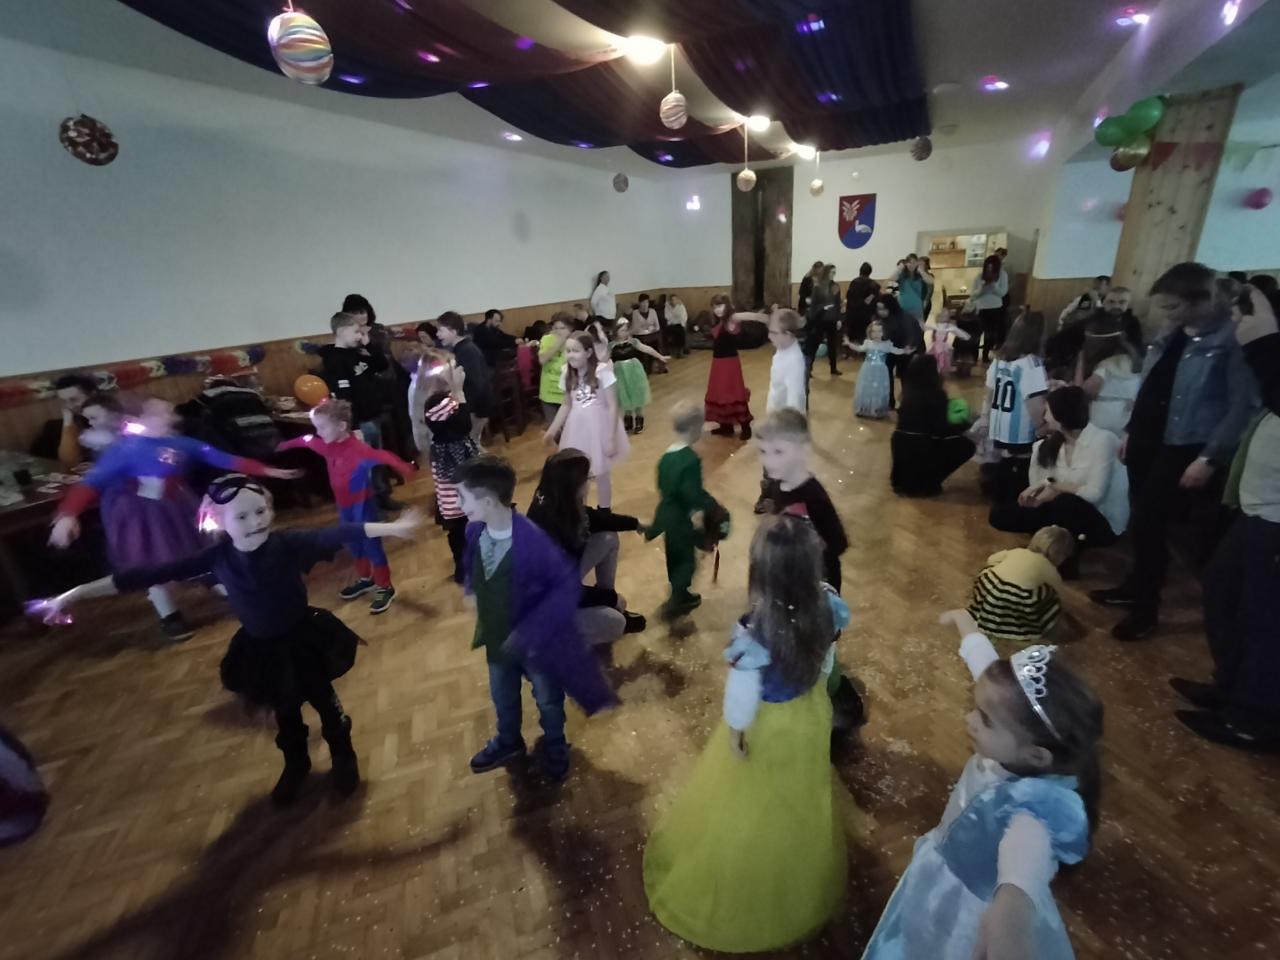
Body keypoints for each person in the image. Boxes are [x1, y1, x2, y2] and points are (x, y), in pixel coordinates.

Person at [39, 474, 424, 805]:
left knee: (325, 700)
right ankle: (296, 762)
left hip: (304, 639)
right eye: (242, 516)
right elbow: (142, 575)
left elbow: (339, 532)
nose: (256, 521)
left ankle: (343, 754)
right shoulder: (215, 557)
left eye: (261, 511)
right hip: (262, 648)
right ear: (218, 520)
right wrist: (73, 595)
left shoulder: (287, 543)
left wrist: (392, 528)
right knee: (285, 710)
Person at [643, 516, 850, 953]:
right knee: (795, 788)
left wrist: (736, 734)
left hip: (767, 724)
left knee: (753, 797)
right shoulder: (829, 604)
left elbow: (741, 696)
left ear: (761, 574)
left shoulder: (755, 631)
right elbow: (828, 659)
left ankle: (750, 871)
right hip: (810, 715)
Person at [862, 609, 1102, 959]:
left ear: (1037, 755)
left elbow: (1024, 866)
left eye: (985, 720)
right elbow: (985, 667)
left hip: (963, 909)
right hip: (944, 862)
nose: (969, 719)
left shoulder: (1035, 807)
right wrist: (966, 624)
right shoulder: (1017, 732)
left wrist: (1010, 912)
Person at [1090, 263, 1258, 642]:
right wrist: (1131, 430)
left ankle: (1146, 608)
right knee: (1141, 519)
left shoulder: (1230, 340)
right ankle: (1136, 584)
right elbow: (1152, 386)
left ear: (1201, 301)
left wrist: (1209, 457)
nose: (1165, 314)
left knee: (1154, 522)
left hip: (1184, 445)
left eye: (1173, 306)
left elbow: (1241, 406)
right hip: (1147, 439)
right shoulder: (1173, 333)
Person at [48, 398, 297, 642]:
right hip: (141, 514)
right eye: (159, 413)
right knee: (152, 560)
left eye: (170, 412)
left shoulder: (180, 443)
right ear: (141, 419)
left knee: (198, 547)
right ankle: (168, 613)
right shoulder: (124, 449)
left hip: (178, 506)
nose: (170, 417)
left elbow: (218, 457)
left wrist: (266, 470)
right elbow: (91, 482)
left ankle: (219, 584)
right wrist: (68, 515)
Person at [458, 455, 617, 781]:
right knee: (502, 693)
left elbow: (564, 589)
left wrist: (530, 632)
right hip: (498, 636)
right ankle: (508, 740)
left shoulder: (533, 542)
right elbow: (472, 563)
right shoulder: (475, 530)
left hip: (537, 644)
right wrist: (472, 589)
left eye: (463, 497)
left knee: (547, 699)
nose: (458, 504)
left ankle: (556, 747)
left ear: (487, 501)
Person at [1172, 285, 1280, 751]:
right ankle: (1231, 688)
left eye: (1243, 317)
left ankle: (1253, 718)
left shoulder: (1269, 360)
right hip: (1254, 514)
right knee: (1224, 594)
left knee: (1263, 620)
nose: (1236, 325)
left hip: (1273, 524)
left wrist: (1265, 341)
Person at [278, 398, 414, 613]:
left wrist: (404, 467)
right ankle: (366, 579)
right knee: (353, 542)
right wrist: (284, 445)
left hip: (363, 505)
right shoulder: (327, 446)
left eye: (322, 427)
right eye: (316, 427)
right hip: (345, 507)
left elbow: (383, 455)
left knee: (371, 545)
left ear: (341, 426)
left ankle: (385, 587)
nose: (318, 432)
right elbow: (306, 440)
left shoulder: (359, 450)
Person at [527, 449, 647, 644]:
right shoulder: (553, 528)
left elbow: (594, 518)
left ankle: (600, 611)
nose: (591, 482)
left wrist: (635, 523)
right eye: (588, 478)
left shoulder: (555, 498)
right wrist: (610, 598)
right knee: (615, 623)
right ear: (573, 484)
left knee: (608, 538)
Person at [991, 387, 1128, 554]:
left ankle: (1060, 551)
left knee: (1066, 503)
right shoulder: (1051, 444)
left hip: (1100, 521)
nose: (1045, 417)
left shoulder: (1103, 440)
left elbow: (1094, 494)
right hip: (1060, 510)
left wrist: (1052, 486)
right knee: (999, 514)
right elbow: (1043, 487)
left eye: (1048, 411)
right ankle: (1049, 537)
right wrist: (1039, 497)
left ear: (1061, 414)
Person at [645, 401, 727, 621]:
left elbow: (663, 486)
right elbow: (693, 494)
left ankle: (679, 592)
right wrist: (711, 506)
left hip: (667, 515)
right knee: (686, 561)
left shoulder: (666, 457)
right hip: (681, 519)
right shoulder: (689, 460)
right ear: (694, 428)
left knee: (674, 557)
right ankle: (677, 599)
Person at [755, 409, 847, 589]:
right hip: (788, 576)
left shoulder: (814, 496)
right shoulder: (777, 484)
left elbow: (838, 543)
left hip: (815, 582)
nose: (768, 461)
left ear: (803, 451)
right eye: (763, 451)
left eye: (778, 452)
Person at [407, 351, 478, 583]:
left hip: (446, 460)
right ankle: (466, 567)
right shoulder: (438, 401)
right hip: (455, 464)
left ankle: (466, 564)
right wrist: (459, 390)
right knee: (462, 521)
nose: (455, 370)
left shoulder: (433, 396)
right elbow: (464, 424)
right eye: (450, 366)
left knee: (458, 519)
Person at [319, 311, 399, 510]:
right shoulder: (334, 360)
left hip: (373, 417)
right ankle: (370, 506)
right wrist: (353, 427)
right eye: (356, 332)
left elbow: (381, 364)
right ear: (341, 331)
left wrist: (368, 344)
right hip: (360, 422)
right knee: (364, 466)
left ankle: (383, 498)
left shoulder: (357, 353)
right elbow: (343, 398)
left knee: (377, 461)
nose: (359, 336)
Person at [545, 332, 630, 509]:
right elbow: (566, 405)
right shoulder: (567, 373)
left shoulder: (602, 372)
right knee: (579, 475)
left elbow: (613, 405)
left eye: (576, 351)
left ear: (589, 352)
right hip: (577, 429)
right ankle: (582, 511)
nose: (570, 355)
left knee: (601, 474)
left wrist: (611, 438)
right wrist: (552, 430)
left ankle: (604, 510)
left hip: (600, 428)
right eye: (568, 351)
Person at [979, 310, 1049, 503]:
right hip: (1021, 429)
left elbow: (989, 394)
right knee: (1019, 473)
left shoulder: (999, 359)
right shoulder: (1031, 364)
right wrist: (1043, 427)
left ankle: (1000, 501)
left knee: (1005, 464)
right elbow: (1035, 405)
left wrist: (985, 419)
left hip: (1000, 424)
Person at [968, 526, 1073, 643]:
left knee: (991, 571)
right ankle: (1015, 624)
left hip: (989, 586)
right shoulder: (1050, 569)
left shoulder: (1017, 551)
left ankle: (986, 612)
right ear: (1059, 556)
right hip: (1016, 599)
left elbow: (991, 559)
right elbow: (1058, 591)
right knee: (1049, 596)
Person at [891, 355, 977, 496]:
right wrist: (965, 425)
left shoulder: (907, 394)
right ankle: (928, 481)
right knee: (966, 446)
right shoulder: (935, 394)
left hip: (900, 443)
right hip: (921, 446)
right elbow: (940, 430)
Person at [705, 294, 760, 440]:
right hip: (718, 364)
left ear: (727, 305)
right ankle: (726, 426)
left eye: (720, 305)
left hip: (729, 364)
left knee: (733, 393)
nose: (717, 309)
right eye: (714, 307)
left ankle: (745, 426)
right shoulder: (720, 321)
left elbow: (745, 316)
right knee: (720, 393)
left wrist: (761, 317)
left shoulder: (732, 318)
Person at [435, 311, 493, 445]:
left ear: (453, 331)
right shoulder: (460, 349)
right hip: (473, 407)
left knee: (471, 445)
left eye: (440, 330)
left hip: (476, 409)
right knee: (472, 445)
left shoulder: (467, 351)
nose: (437, 335)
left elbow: (476, 385)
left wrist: (464, 409)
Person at [605, 318, 668, 434]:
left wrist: (659, 356)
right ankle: (628, 419)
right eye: (622, 330)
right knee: (624, 394)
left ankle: (639, 419)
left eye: (626, 330)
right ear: (616, 331)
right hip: (620, 373)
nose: (625, 333)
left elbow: (647, 349)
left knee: (637, 393)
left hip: (634, 371)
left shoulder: (633, 342)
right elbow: (604, 359)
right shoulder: (611, 345)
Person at [30, 373, 98, 467]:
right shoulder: (55, 428)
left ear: (93, 395)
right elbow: (69, 462)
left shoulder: (112, 420)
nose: (69, 406)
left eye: (74, 399)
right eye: (64, 401)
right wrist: (67, 422)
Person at [848, 319, 908, 420]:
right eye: (874, 331)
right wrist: (849, 343)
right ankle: (865, 408)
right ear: (870, 332)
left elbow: (896, 351)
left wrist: (905, 351)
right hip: (867, 369)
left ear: (884, 332)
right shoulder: (868, 343)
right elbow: (859, 348)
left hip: (880, 371)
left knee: (878, 389)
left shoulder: (886, 344)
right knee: (867, 387)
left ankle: (876, 409)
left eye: (879, 331)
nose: (876, 334)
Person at [969, 254, 1010, 363]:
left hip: (995, 308)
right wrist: (982, 289)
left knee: (990, 334)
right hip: (981, 308)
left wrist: (994, 286)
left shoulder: (1003, 275)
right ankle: (974, 356)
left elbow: (1003, 293)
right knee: (977, 333)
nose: (989, 269)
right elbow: (973, 295)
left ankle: (985, 356)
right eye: (987, 267)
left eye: (992, 267)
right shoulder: (979, 276)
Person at [804, 264, 843, 377]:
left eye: (834, 272)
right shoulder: (818, 287)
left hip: (832, 319)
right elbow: (814, 305)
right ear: (826, 273)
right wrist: (820, 310)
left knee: (832, 345)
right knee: (815, 344)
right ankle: (809, 368)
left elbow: (837, 304)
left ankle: (833, 368)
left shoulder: (835, 286)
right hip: (820, 319)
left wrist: (839, 319)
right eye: (831, 272)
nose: (833, 274)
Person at [766, 309, 807, 415]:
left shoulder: (794, 361)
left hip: (785, 418)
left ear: (788, 334)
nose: (769, 336)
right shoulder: (782, 349)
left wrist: (785, 421)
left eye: (774, 333)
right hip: (776, 410)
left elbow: (794, 399)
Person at [537, 311, 572, 425]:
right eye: (555, 328)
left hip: (566, 392)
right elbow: (542, 360)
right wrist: (558, 343)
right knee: (554, 428)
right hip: (548, 391)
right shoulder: (547, 339)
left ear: (570, 329)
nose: (558, 331)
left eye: (562, 328)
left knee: (569, 428)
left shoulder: (574, 342)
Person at [925, 308, 973, 374]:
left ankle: (937, 371)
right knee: (939, 358)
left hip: (938, 346)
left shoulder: (940, 325)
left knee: (938, 358)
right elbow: (964, 335)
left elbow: (925, 327)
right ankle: (937, 371)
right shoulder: (947, 326)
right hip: (940, 346)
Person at [844, 262, 880, 345]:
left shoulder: (854, 282)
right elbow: (875, 298)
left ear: (860, 271)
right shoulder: (873, 284)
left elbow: (849, 298)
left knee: (854, 337)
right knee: (866, 337)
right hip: (867, 315)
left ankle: (853, 349)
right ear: (870, 272)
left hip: (853, 315)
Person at [630, 293, 667, 373]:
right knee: (642, 344)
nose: (645, 304)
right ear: (639, 303)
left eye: (647, 302)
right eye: (643, 302)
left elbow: (657, 326)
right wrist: (644, 329)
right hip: (639, 335)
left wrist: (652, 329)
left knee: (659, 340)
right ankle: (646, 368)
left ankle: (661, 366)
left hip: (651, 333)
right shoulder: (635, 313)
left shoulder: (653, 311)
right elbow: (635, 328)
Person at [895, 254, 928, 331]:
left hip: (917, 307)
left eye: (914, 263)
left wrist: (921, 271)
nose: (911, 265)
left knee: (919, 329)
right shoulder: (902, 276)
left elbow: (930, 282)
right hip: (904, 307)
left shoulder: (919, 275)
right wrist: (898, 269)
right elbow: (891, 279)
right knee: (905, 329)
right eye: (909, 262)